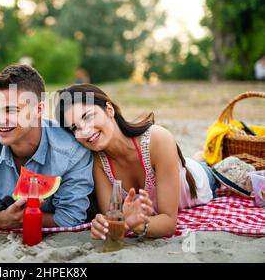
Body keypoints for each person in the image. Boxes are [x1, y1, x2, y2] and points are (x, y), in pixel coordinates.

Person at [55, 84, 216, 239]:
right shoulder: (98, 162)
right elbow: (114, 221)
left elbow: (168, 223)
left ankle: (202, 156)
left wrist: (136, 226)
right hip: (172, 166)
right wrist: (109, 227)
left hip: (201, 178)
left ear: (109, 109)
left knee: (213, 166)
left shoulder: (158, 139)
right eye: (75, 128)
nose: (85, 131)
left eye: (88, 116)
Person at [0, 64, 94, 229]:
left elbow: (70, 218)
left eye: (11, 110)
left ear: (39, 109)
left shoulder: (72, 151)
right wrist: (1, 218)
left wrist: (16, 220)